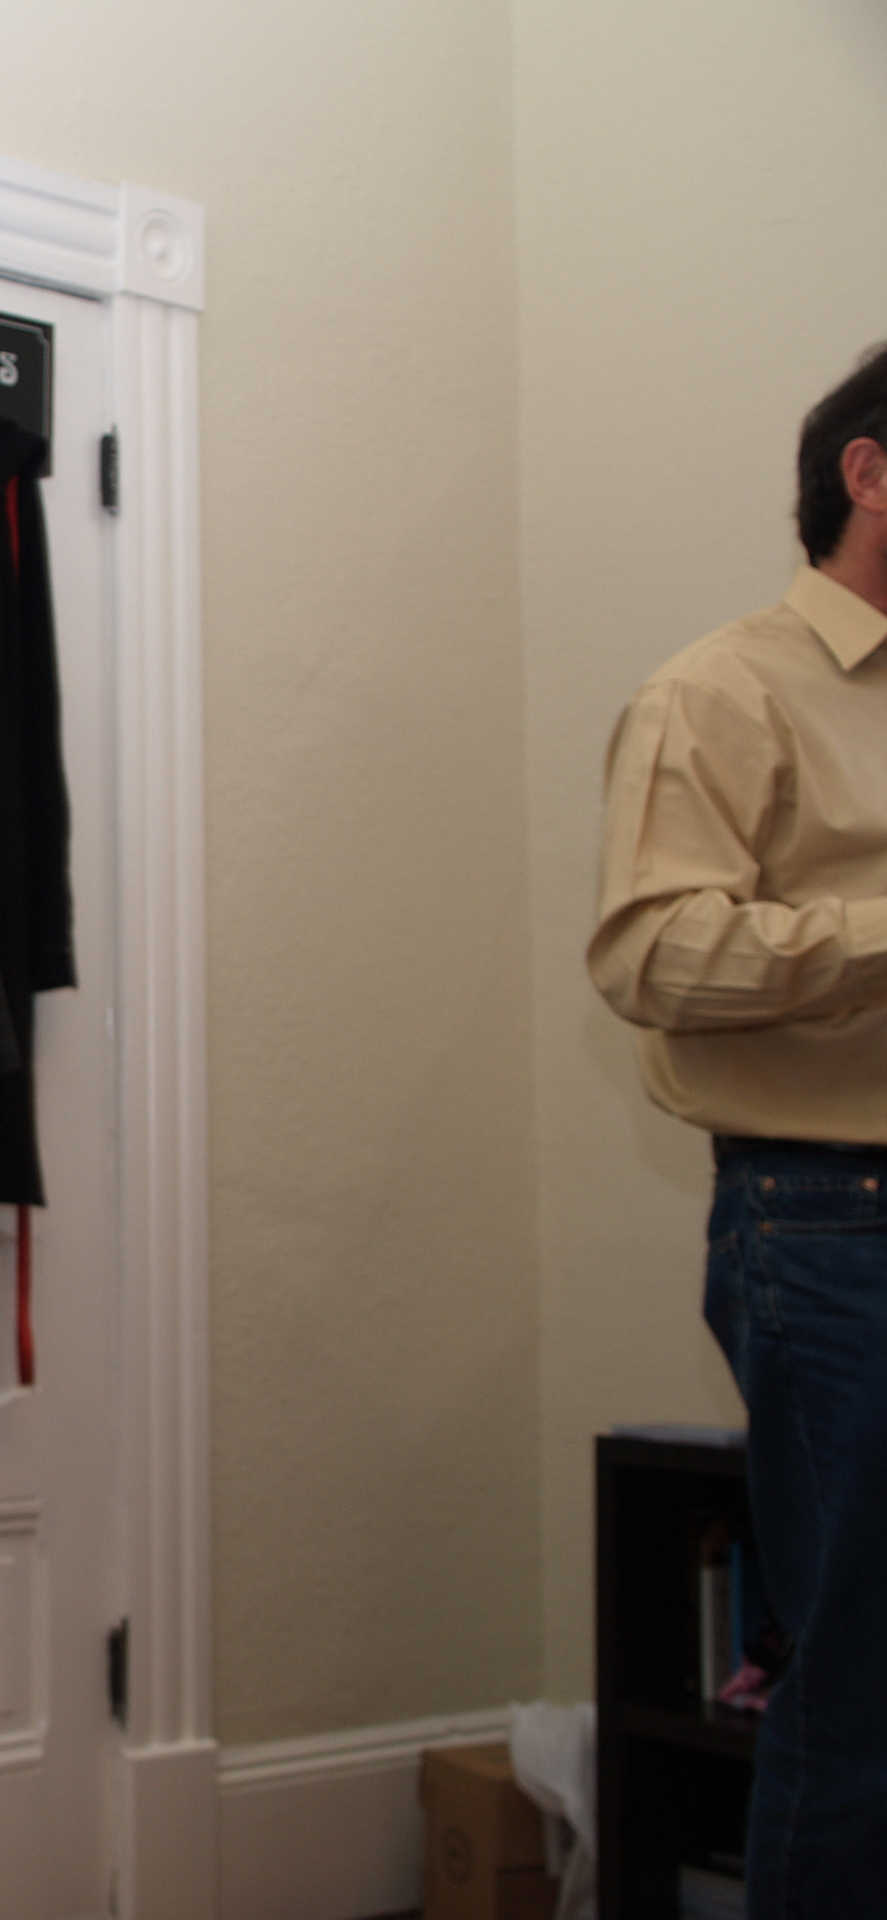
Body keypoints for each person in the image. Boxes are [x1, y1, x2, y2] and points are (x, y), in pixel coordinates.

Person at [588, 343, 887, 1917]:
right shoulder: (723, 692)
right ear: (870, 472)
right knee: (865, 1681)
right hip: (835, 1226)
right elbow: (652, 955)